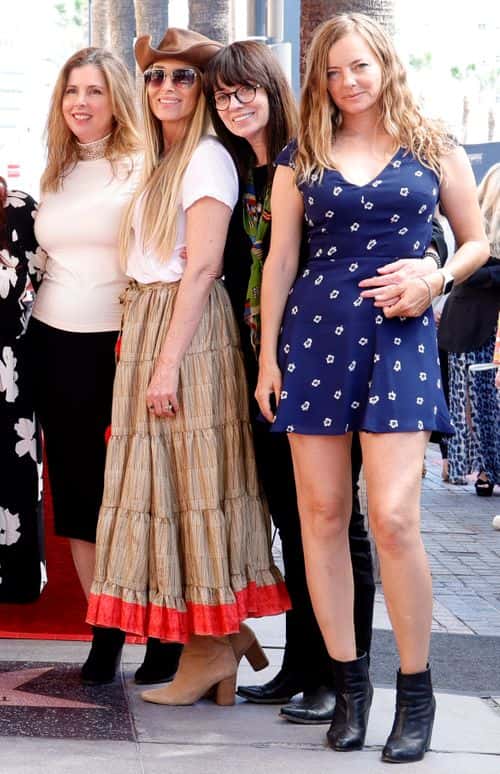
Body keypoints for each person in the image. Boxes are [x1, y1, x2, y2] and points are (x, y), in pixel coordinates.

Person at [256, 13, 488, 764]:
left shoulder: (433, 147)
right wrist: (267, 360)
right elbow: (281, 261)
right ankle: (351, 688)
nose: (347, 81)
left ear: (384, 63)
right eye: (332, 71)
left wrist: (435, 275)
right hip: (316, 337)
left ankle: (414, 692)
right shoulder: (303, 155)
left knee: (392, 517)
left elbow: (477, 235)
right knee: (320, 516)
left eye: (359, 66)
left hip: (401, 337)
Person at [86, 28, 290, 708]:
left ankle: (212, 647)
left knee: (192, 484)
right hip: (152, 323)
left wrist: (167, 364)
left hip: (185, 329)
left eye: (182, 77)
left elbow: (201, 268)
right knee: (166, 487)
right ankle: (216, 646)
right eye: (155, 77)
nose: (166, 88)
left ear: (201, 90)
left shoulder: (206, 158)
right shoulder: (163, 158)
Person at [203, 39, 375, 726]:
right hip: (256, 364)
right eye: (223, 96)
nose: (235, 103)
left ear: (275, 88)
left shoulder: (310, 159)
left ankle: (342, 676)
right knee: (291, 520)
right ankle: (303, 667)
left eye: (246, 89)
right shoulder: (238, 171)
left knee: (336, 521)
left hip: (320, 361)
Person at [28, 47, 180, 685]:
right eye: (71, 92)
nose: (81, 103)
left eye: (93, 90)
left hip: (124, 345)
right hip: (52, 342)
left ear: (118, 96)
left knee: (140, 491)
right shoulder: (55, 172)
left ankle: (165, 638)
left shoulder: (148, 166)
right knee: (80, 493)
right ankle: (104, 629)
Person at [438, 162, 500, 495]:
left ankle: (486, 469)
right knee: (475, 401)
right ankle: (482, 470)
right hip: (472, 329)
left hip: (479, 328)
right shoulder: (475, 233)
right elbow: (462, 273)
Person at [0, 178, 46, 603]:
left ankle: (15, 575)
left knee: (11, 468)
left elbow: (49, 276)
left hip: (8, 366)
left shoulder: (17, 208)